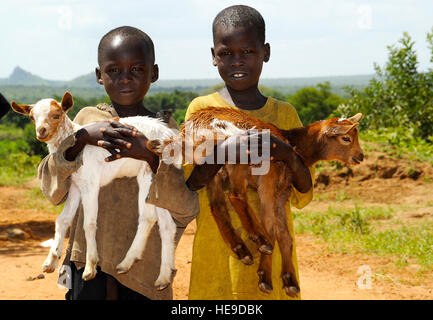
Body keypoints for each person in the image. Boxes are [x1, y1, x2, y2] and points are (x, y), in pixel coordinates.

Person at [38, 26, 200, 300]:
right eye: (113, 70)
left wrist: (150, 155)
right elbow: (52, 188)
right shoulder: (86, 121)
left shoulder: (164, 131)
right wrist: (79, 139)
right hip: (86, 269)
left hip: (143, 275)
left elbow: (185, 207)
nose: (125, 79)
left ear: (154, 73)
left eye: (136, 69)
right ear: (99, 75)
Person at [183, 5, 314, 300]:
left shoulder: (284, 114)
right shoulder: (201, 110)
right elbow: (191, 184)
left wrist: (288, 155)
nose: (237, 61)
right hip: (216, 256)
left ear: (265, 52)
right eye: (226, 53)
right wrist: (223, 152)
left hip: (274, 255)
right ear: (213, 55)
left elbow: (304, 193)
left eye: (248, 52)